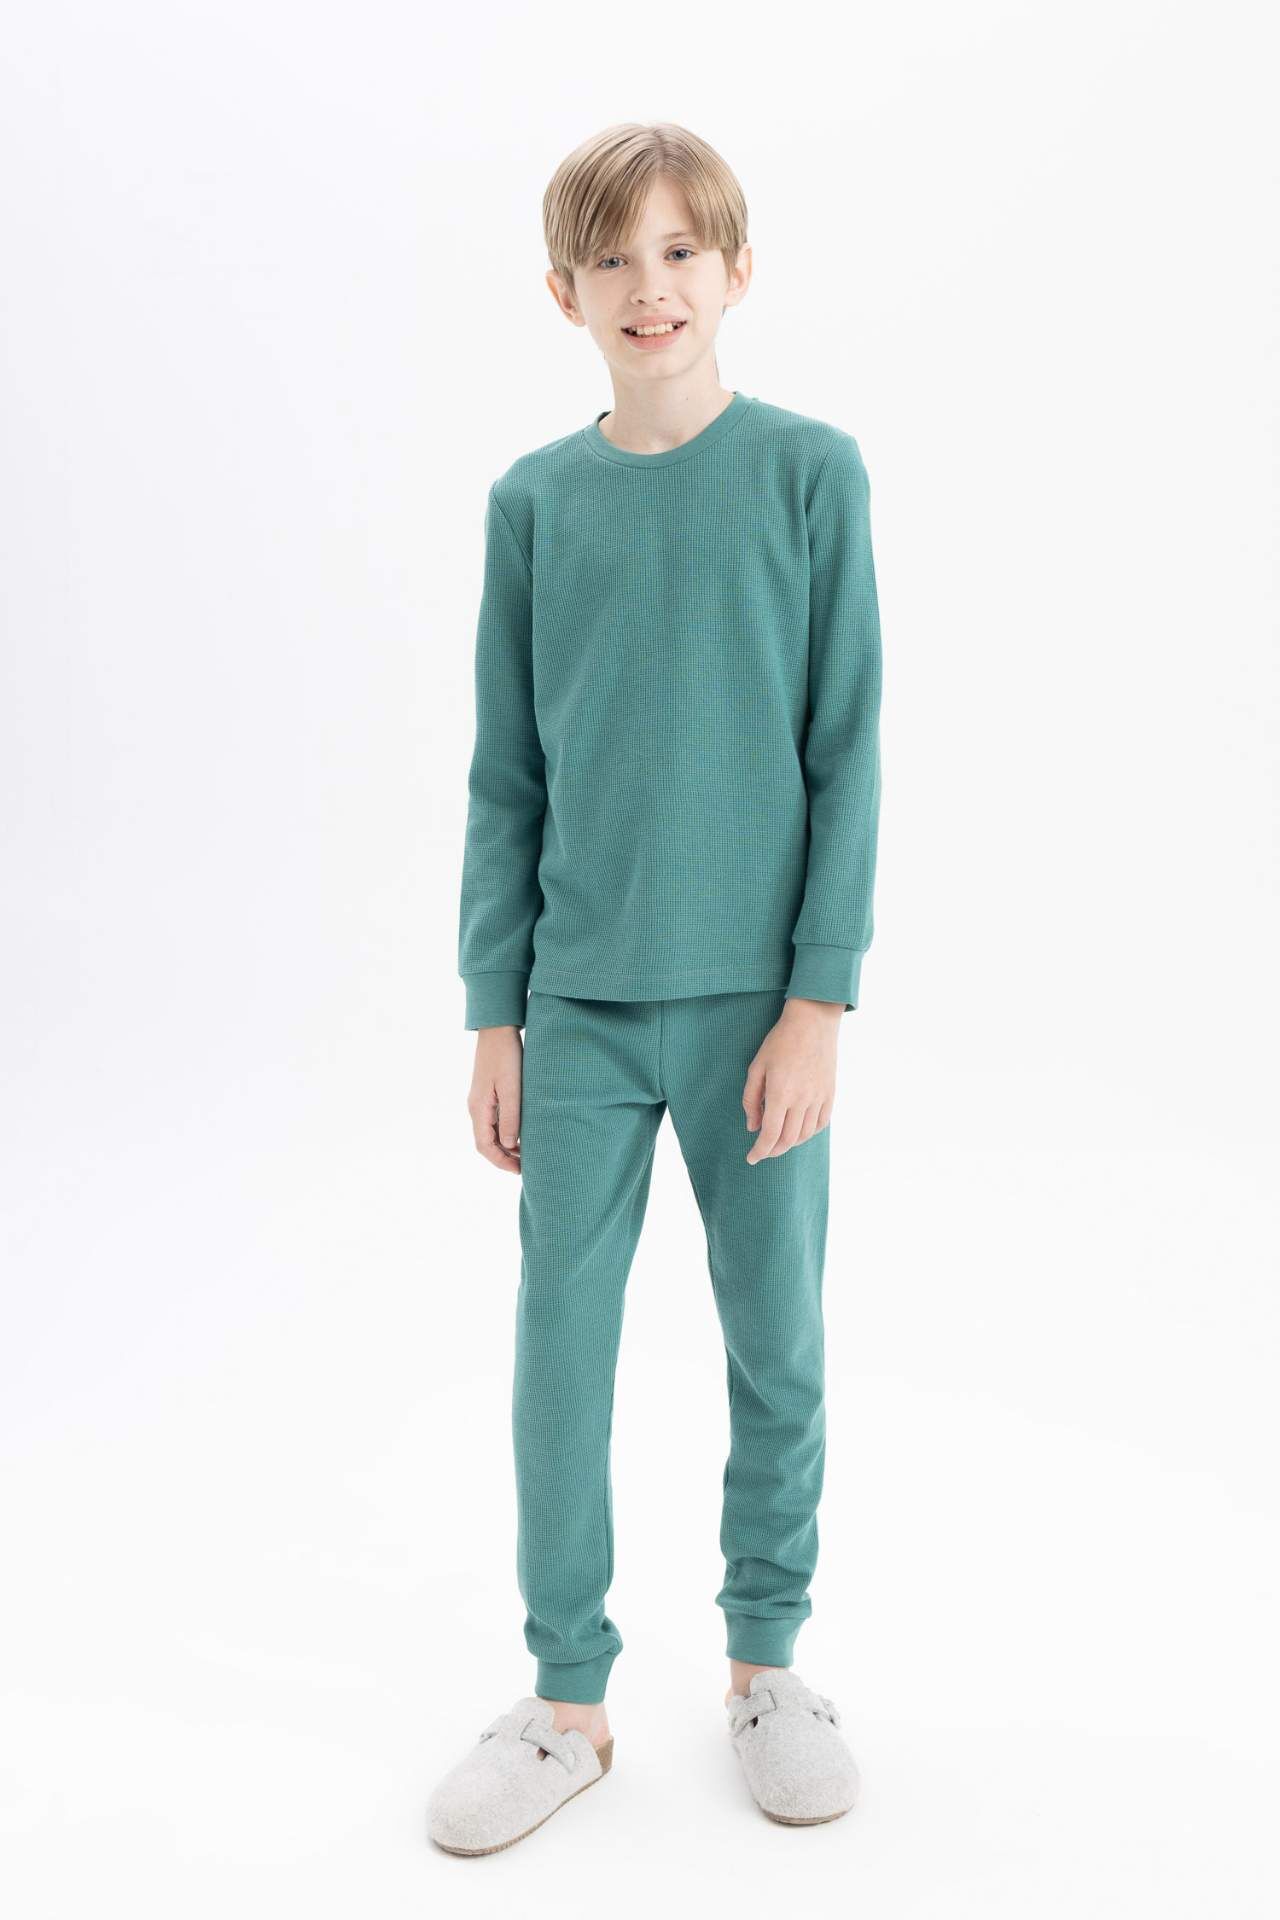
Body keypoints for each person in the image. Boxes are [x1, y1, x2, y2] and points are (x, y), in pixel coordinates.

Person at [428, 120, 883, 1854]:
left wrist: (820, 998)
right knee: (561, 1347)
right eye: (613, 257)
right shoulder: (535, 506)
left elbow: (846, 750)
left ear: (735, 270)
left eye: (681, 250)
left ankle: (769, 1666)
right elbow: (506, 779)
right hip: (581, 1011)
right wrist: (495, 1012)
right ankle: (567, 1701)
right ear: (565, 293)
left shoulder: (810, 476)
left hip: (763, 1011)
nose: (650, 284)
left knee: (778, 1337)